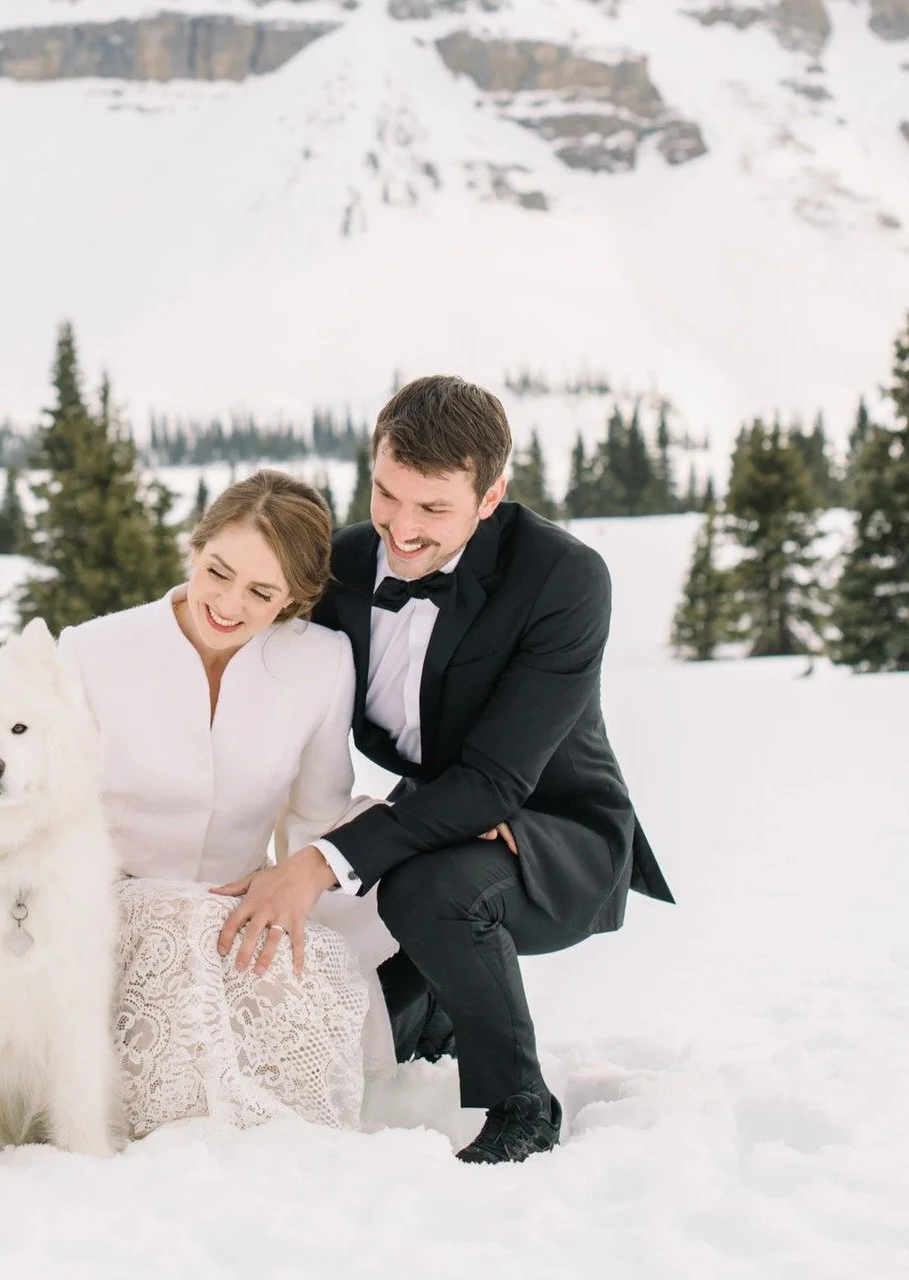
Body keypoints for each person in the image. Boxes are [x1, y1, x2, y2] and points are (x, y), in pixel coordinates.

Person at [216, 376, 674, 1165]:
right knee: (366, 1038)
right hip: (440, 820)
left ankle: (522, 1103)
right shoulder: (348, 566)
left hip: (557, 833)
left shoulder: (563, 579)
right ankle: (431, 1011)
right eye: (388, 495)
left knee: (431, 891)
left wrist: (319, 863)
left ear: (491, 494)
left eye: (434, 508)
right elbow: (248, 642)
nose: (402, 527)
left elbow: (495, 783)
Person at [59, 469, 393, 1138]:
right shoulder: (92, 650)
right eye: (218, 570)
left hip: (246, 913)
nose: (229, 603)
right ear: (195, 546)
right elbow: (56, 814)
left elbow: (315, 817)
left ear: (295, 598)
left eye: (261, 591)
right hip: (109, 911)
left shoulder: (322, 661)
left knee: (291, 1050)